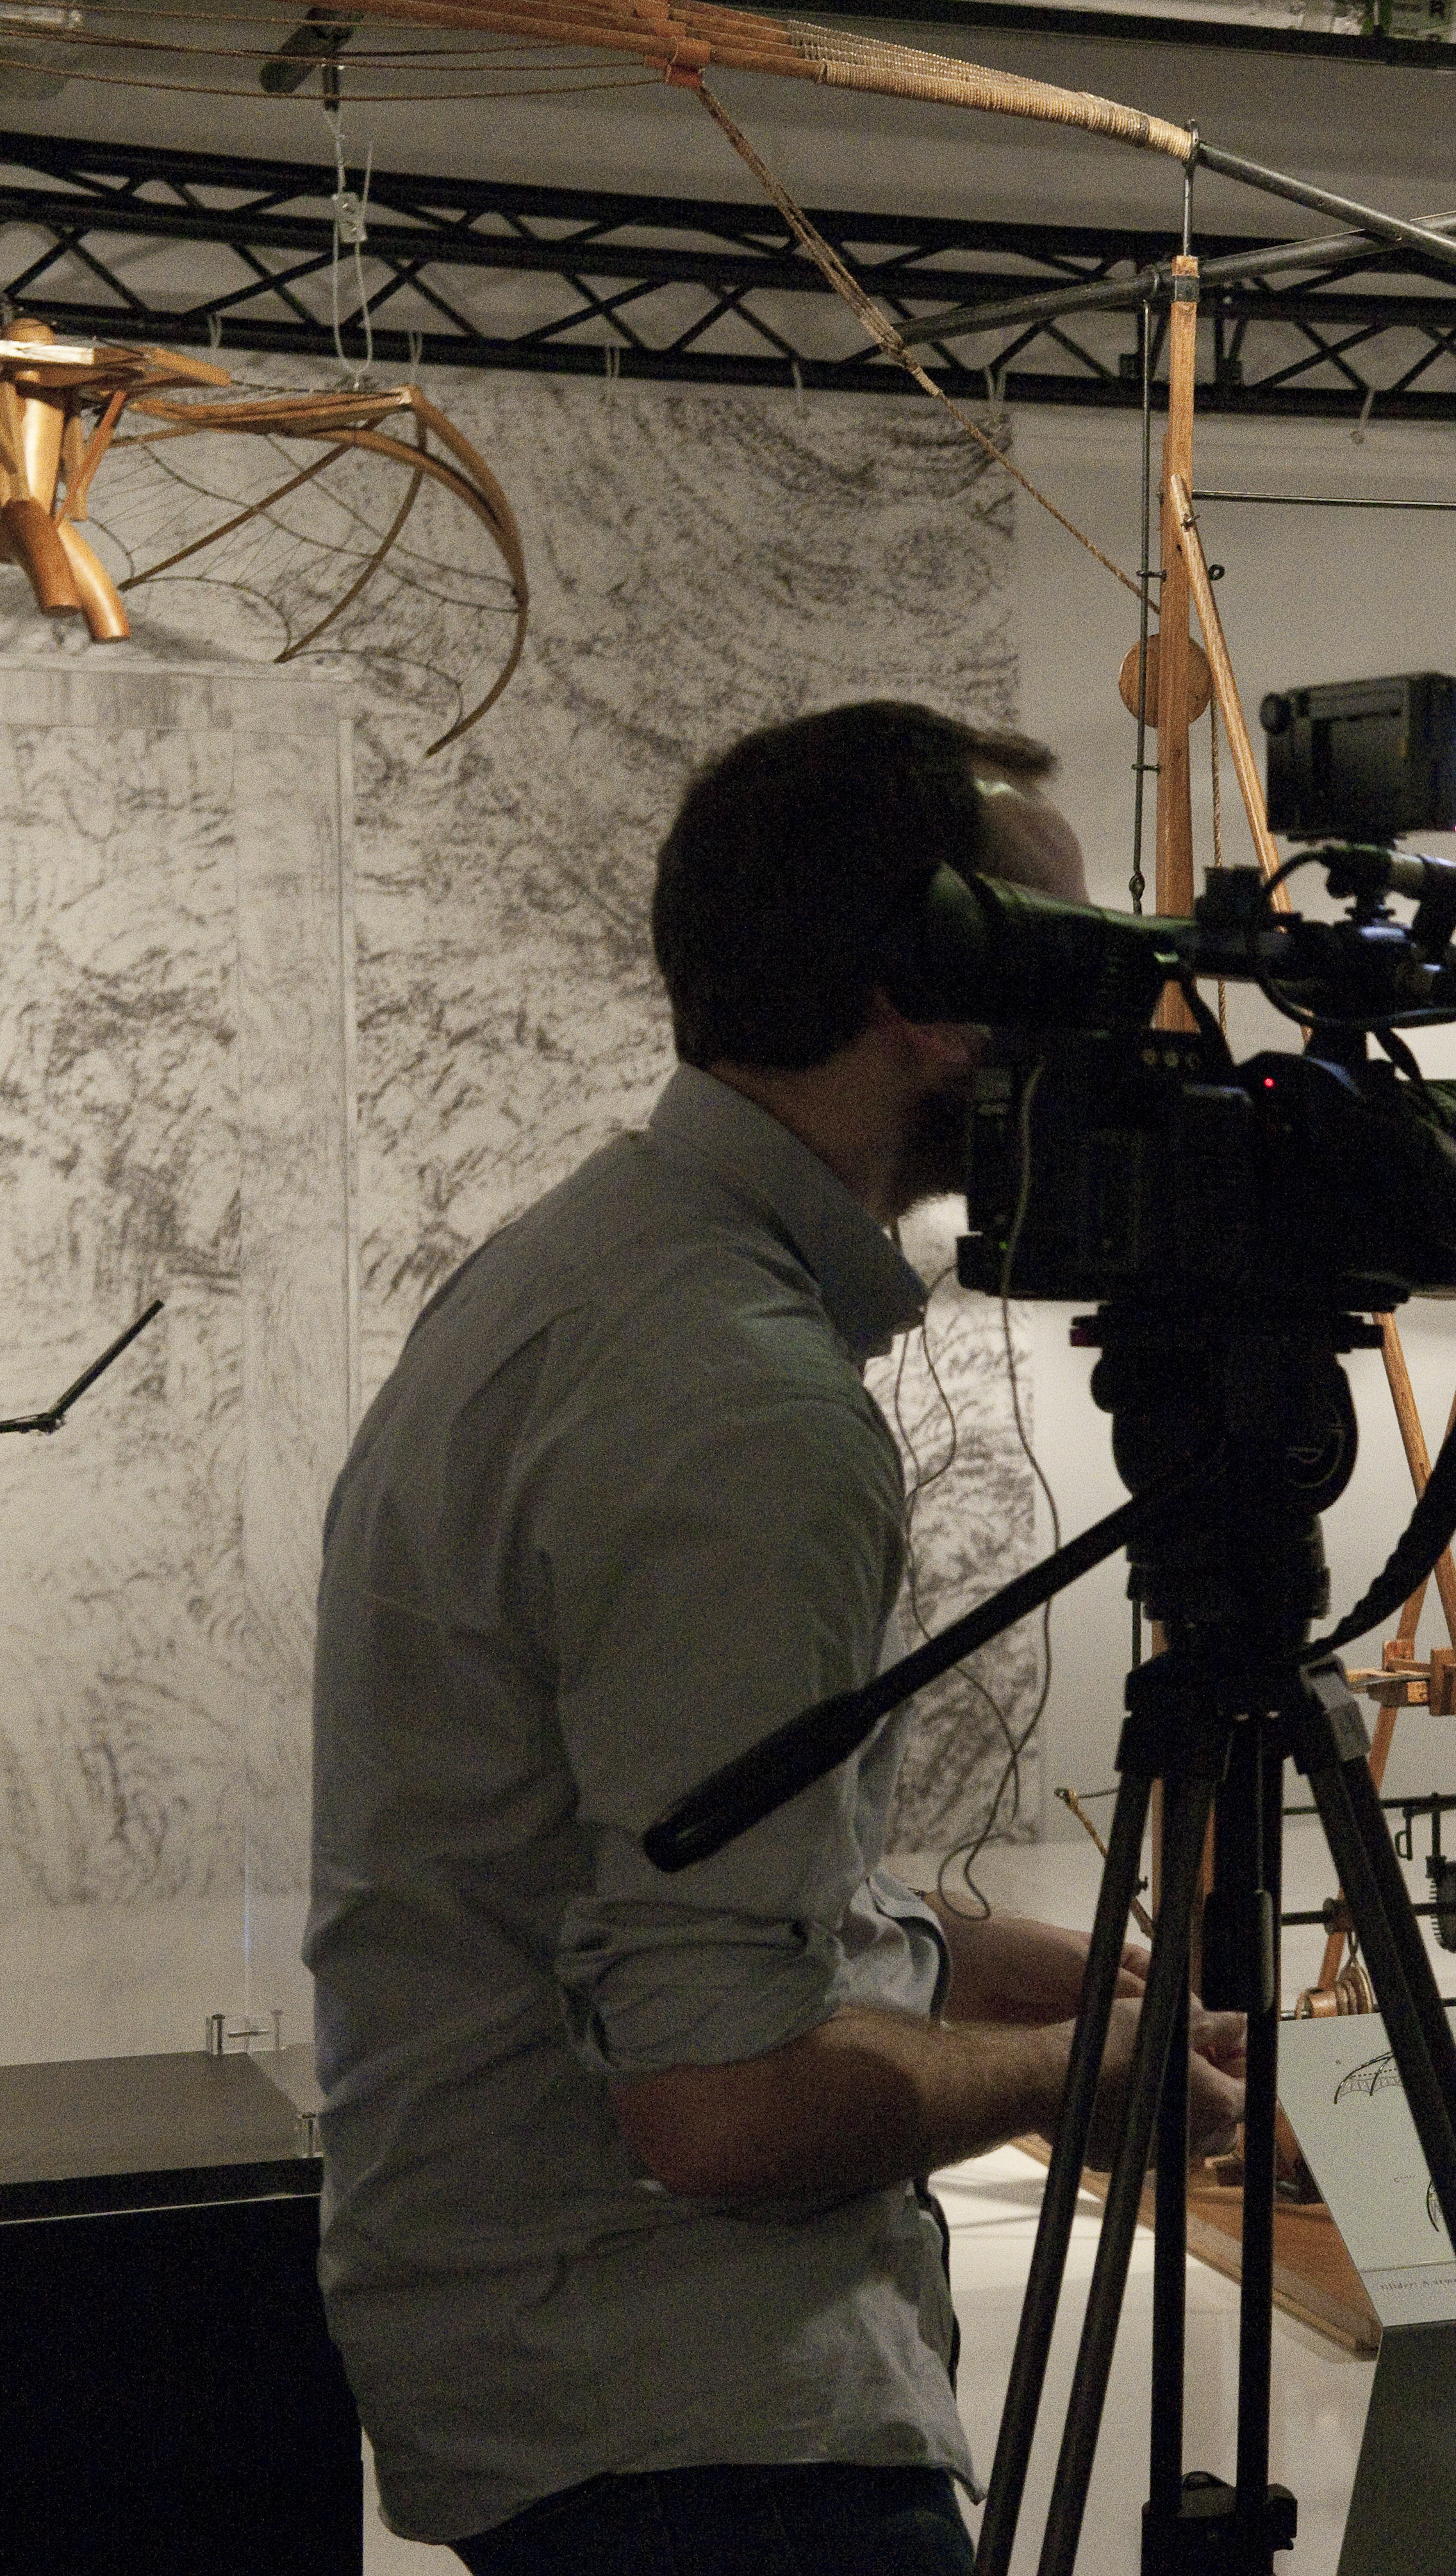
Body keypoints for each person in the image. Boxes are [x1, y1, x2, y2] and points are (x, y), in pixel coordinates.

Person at [306, 702, 1243, 2573]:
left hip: (568, 2368)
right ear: (932, 992)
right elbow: (718, 2102)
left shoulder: (584, 1272)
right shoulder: (745, 1414)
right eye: (1071, 956)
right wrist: (1090, 2082)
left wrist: (1068, 1986)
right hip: (691, 2423)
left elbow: (682, 1878)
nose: (1114, 1025)